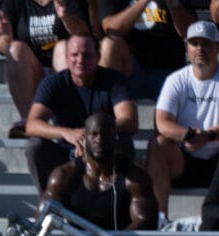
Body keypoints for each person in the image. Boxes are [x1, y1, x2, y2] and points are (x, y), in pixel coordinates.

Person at [145, 15, 219, 214]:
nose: (199, 49)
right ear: (187, 48)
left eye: (206, 44)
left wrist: (209, 136)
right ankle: (159, 218)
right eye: (194, 43)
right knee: (157, 145)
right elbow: (162, 123)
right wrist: (189, 135)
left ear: (217, 47)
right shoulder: (176, 80)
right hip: (183, 159)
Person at [25, 28, 136, 192]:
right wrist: (67, 133)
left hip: (102, 148)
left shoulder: (114, 81)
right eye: (74, 55)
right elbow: (32, 124)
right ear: (66, 58)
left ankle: (115, 199)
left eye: (87, 55)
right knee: (35, 146)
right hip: (66, 150)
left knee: (124, 143)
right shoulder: (53, 83)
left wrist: (89, 136)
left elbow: (130, 121)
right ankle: (49, 200)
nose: (80, 60)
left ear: (98, 57)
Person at [0, 0, 90, 131]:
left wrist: (65, 17)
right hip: (32, 70)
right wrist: (6, 36)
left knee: (63, 46)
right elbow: (1, 47)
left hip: (65, 67)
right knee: (16, 48)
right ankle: (29, 120)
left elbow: (84, 34)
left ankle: (67, 120)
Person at [42, 106, 158, 231]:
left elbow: (146, 222)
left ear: (115, 137)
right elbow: (43, 220)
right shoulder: (63, 176)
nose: (99, 140)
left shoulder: (135, 177)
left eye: (105, 134)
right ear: (84, 138)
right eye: (94, 134)